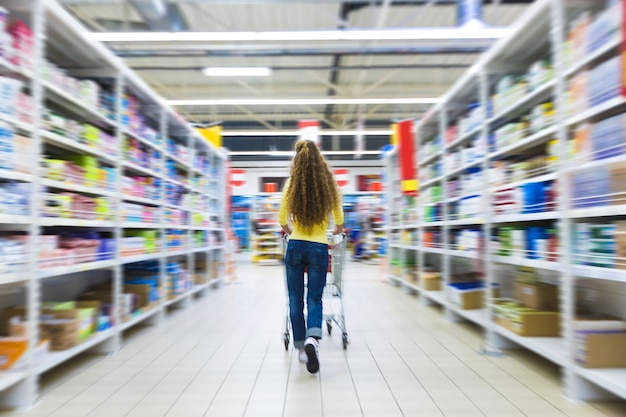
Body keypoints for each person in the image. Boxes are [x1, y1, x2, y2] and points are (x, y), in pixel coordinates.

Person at [278, 139, 344, 374]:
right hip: (318, 248)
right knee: (314, 298)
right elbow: (339, 219)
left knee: (295, 300)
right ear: (319, 159)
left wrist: (291, 231)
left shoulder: (292, 183)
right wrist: (335, 230)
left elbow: (281, 217)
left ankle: (300, 349)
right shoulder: (328, 183)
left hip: (295, 246)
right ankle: (312, 339)